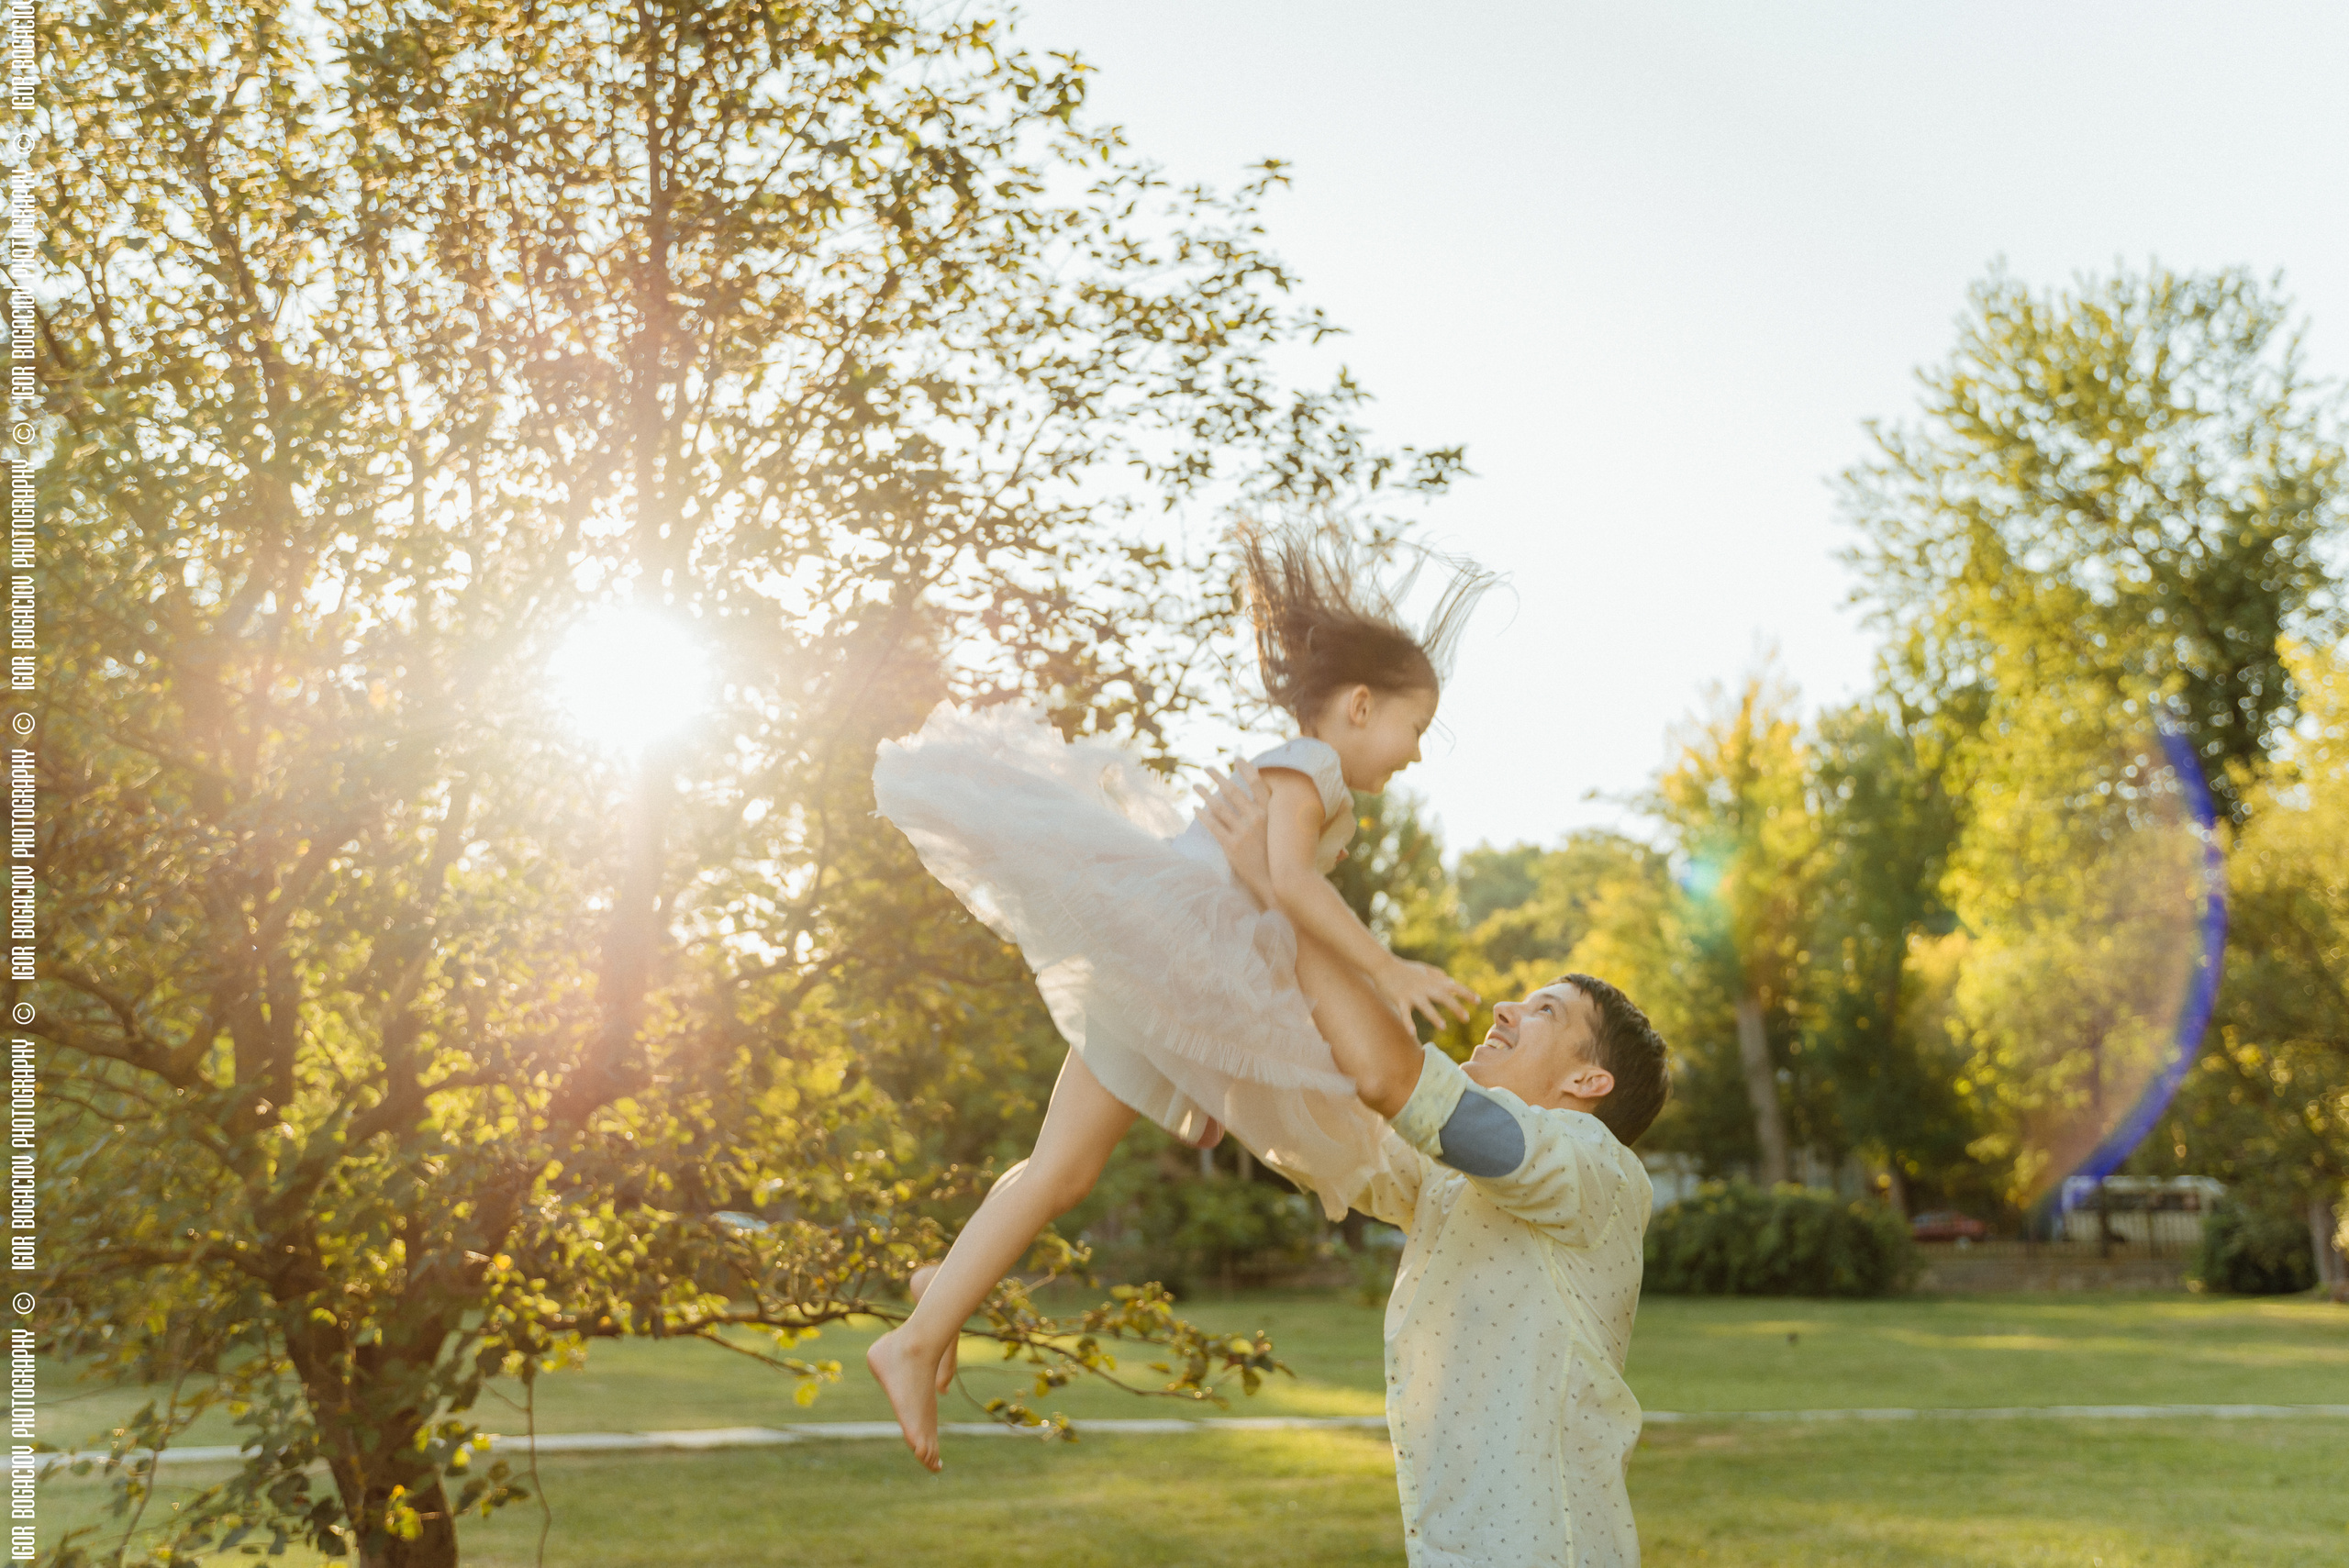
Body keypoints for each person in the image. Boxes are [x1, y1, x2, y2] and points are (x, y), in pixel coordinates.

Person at [862, 520, 1494, 1470]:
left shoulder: (1319, 780)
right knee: (1064, 1171)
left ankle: (941, 1290)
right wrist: (1386, 967)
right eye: (1414, 727)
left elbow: (1280, 887)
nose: (1414, 752)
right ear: (1360, 705)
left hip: (1163, 955)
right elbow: (1288, 884)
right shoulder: (1313, 767)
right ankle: (914, 1338)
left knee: (1055, 1164)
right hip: (1170, 957)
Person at [1197, 761, 1671, 1568]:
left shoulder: (1597, 1169)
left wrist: (1289, 891)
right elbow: (1334, 1122)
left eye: (1543, 1009)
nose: (1504, 1009)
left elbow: (1400, 1083)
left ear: (1589, 1080)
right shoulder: (1452, 1178)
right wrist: (1212, 1046)